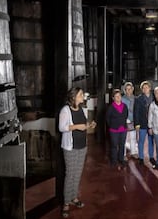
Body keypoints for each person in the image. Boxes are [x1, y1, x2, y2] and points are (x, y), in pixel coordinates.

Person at [59, 87, 96, 218]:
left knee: (78, 173)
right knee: (70, 174)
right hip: (70, 146)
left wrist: (89, 125)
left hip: (82, 146)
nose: (83, 96)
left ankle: (74, 197)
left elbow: (83, 124)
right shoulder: (65, 110)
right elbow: (62, 127)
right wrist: (76, 127)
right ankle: (66, 203)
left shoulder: (81, 108)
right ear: (74, 97)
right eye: (81, 94)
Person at [106, 89, 129, 170]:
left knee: (122, 145)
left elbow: (126, 115)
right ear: (113, 98)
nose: (118, 97)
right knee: (114, 146)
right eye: (116, 96)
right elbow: (108, 119)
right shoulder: (111, 107)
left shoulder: (125, 106)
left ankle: (121, 159)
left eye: (119, 96)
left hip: (123, 129)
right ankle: (114, 161)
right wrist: (113, 125)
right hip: (114, 130)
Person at [134, 81, 155, 165]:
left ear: (150, 88)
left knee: (151, 141)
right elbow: (136, 112)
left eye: (147, 87)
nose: (145, 89)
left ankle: (151, 157)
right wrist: (137, 124)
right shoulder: (138, 99)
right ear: (142, 90)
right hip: (142, 123)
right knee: (141, 141)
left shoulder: (154, 97)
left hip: (152, 124)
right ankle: (141, 157)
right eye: (144, 88)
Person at [122, 82, 138, 159]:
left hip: (133, 120)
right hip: (124, 121)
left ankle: (133, 152)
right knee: (124, 138)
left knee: (133, 137)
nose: (129, 90)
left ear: (133, 89)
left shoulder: (136, 98)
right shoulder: (122, 99)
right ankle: (123, 154)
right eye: (127, 89)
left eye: (130, 89)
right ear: (125, 90)